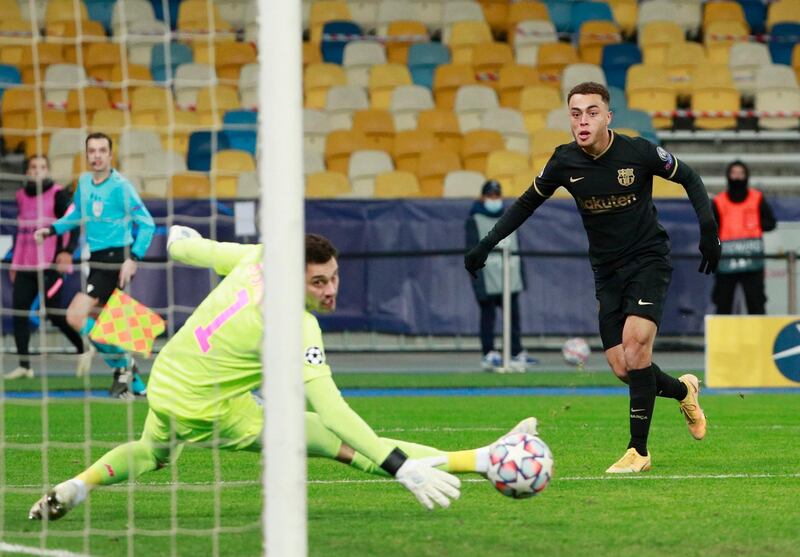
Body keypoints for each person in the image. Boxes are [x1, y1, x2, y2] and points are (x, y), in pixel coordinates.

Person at [30, 229, 539, 519]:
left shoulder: (259, 258)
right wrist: (398, 466)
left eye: (333, 276)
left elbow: (193, 248)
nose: (329, 289)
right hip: (213, 410)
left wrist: (179, 238)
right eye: (318, 282)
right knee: (335, 440)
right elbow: (334, 411)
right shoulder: (295, 326)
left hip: (168, 378)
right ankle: (486, 459)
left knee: (155, 452)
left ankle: (77, 485)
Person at [465, 82, 720, 474]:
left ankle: (639, 451)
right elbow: (526, 203)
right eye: (575, 113)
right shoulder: (564, 162)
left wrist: (708, 230)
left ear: (608, 116)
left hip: (649, 260)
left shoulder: (637, 151)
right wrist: (487, 243)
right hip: (606, 273)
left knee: (636, 350)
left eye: (592, 112)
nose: (583, 121)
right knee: (624, 368)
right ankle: (684, 390)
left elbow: (690, 177)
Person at [34, 132, 155, 399]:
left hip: (116, 259)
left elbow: (147, 223)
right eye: (92, 151)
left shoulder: (121, 186)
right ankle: (134, 381)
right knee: (105, 323)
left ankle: (124, 364)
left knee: (75, 316)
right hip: (96, 259)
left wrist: (133, 259)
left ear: (111, 155)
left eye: (102, 150)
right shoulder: (85, 182)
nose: (97, 155)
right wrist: (52, 230)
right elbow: (76, 213)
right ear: (87, 155)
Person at [5, 155, 85, 380]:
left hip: (50, 266)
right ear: (27, 171)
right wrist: (15, 262)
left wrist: (67, 251)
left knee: (54, 313)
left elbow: (74, 222)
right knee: (19, 312)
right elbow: (22, 232)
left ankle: (83, 348)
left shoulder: (58, 194)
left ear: (48, 171)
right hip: (25, 266)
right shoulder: (21, 196)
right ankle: (24, 366)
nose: (37, 171)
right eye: (33, 167)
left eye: (42, 167)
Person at [465, 179, 535, 372]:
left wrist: (520, 276)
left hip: (509, 277)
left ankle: (515, 352)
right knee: (488, 317)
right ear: (483, 197)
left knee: (513, 318)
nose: (494, 199)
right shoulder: (474, 219)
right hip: (487, 279)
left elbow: (515, 246)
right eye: (490, 195)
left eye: (497, 195)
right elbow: (471, 251)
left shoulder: (510, 216)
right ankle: (488, 353)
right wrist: (476, 281)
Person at [711, 160, 776, 314]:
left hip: (752, 263)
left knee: (756, 303)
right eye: (734, 173)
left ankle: (760, 337)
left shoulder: (757, 198)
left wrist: (755, 223)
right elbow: (711, 229)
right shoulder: (718, 201)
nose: (737, 177)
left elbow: (771, 223)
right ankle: (723, 338)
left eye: (741, 173)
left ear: (747, 176)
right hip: (726, 263)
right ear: (728, 176)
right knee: (723, 303)